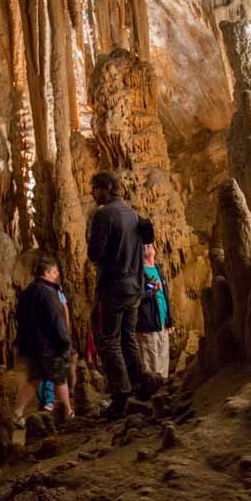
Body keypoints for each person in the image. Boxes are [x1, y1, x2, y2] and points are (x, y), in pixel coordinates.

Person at [87, 170, 144, 420]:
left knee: (108, 340)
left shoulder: (104, 215)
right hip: (134, 287)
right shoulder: (132, 213)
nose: (92, 193)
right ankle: (139, 387)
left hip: (113, 288)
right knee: (128, 337)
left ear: (107, 188)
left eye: (95, 188)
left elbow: (95, 254)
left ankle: (120, 396)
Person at [12, 256, 74, 427]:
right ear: (46, 273)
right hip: (50, 346)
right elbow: (56, 319)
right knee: (60, 378)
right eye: (54, 272)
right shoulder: (48, 292)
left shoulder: (27, 292)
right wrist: (64, 342)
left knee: (34, 379)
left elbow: (19, 319)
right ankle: (68, 414)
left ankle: (17, 413)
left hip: (32, 346)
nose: (57, 274)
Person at [137, 243, 173, 378]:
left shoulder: (158, 269)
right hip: (148, 323)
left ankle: (161, 392)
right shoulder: (138, 272)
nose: (148, 246)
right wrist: (152, 291)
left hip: (162, 321)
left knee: (164, 360)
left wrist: (170, 319)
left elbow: (166, 296)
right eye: (145, 245)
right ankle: (151, 394)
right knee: (151, 362)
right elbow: (136, 297)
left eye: (150, 244)